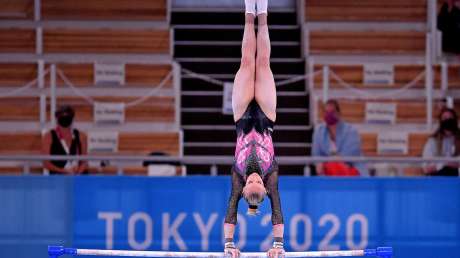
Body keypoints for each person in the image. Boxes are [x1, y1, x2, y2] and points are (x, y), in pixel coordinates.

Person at [223, 1, 284, 258]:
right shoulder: (271, 179)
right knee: (264, 63)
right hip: (267, 117)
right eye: (259, 181)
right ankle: (264, 12)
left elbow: (230, 212)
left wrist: (228, 245)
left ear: (244, 189)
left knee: (247, 61)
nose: (256, 177)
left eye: (252, 182)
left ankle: (250, 10)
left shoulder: (238, 180)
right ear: (265, 188)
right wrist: (278, 246)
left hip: (242, 116)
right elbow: (278, 212)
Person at [312, 99, 367, 176]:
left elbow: (351, 154)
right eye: (327, 112)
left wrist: (334, 162)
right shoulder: (318, 131)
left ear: (339, 113)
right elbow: (316, 154)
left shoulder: (351, 130)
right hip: (328, 172)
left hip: (351, 169)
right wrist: (319, 163)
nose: (329, 114)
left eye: (332, 112)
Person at [42, 105, 88, 175]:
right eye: (63, 116)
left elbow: (84, 161)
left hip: (78, 177)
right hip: (58, 178)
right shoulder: (48, 136)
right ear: (57, 118)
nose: (65, 118)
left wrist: (77, 174)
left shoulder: (81, 136)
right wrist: (63, 171)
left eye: (67, 116)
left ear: (72, 118)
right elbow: (46, 163)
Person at [423, 107, 460, 176]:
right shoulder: (432, 141)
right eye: (445, 118)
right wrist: (444, 163)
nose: (448, 120)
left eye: (451, 118)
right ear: (440, 121)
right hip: (437, 178)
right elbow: (426, 168)